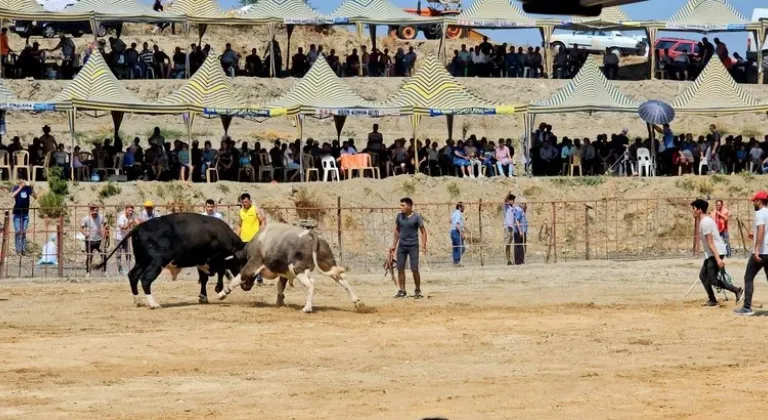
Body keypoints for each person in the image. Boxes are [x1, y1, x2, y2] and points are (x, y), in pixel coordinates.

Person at [691, 199, 742, 307]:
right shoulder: (705, 221)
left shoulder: (705, 222)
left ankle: (737, 290)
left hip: (716, 252)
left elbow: (710, 242)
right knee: (703, 276)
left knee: (713, 280)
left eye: (694, 208)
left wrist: (718, 259)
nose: (693, 211)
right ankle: (712, 299)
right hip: (712, 253)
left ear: (699, 210)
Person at [735, 191, 768, 316]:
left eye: (754, 201)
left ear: (759, 201)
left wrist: (757, 249)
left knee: (748, 277)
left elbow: (762, 230)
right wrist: (754, 236)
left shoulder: (759, 213)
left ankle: (747, 307)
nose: (753, 203)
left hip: (762, 252)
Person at [390, 197, 428, 299]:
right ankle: (402, 290)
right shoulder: (399, 217)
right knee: (400, 268)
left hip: (413, 246)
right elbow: (397, 231)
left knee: (414, 268)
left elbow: (423, 231)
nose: (400, 207)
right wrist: (394, 245)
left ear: (409, 206)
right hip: (402, 246)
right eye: (400, 205)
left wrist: (423, 245)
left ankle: (417, 290)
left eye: (403, 205)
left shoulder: (417, 217)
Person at [236, 193, 266, 284]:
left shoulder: (255, 209)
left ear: (250, 201)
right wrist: (237, 237)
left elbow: (262, 221)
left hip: (254, 240)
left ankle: (259, 278)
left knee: (256, 259)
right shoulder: (241, 211)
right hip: (244, 239)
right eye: (243, 202)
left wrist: (262, 233)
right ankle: (247, 278)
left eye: (245, 202)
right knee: (245, 259)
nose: (244, 204)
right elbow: (239, 225)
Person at [11, 180, 36, 255]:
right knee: (18, 231)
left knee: (24, 232)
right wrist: (20, 188)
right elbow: (12, 196)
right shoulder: (16, 187)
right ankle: (18, 250)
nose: (24, 182)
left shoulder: (27, 189)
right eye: (23, 181)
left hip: (25, 214)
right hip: (17, 214)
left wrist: (32, 188)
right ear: (20, 182)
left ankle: (23, 249)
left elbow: (35, 197)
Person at [81, 204, 106, 277]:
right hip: (89, 240)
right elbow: (81, 228)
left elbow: (105, 225)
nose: (95, 212)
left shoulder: (101, 217)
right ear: (90, 210)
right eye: (94, 210)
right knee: (89, 256)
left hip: (99, 240)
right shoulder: (86, 218)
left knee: (104, 255)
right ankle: (88, 272)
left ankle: (104, 271)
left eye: (96, 210)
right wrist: (85, 234)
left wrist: (104, 234)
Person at [115, 204, 138, 275]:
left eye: (132, 210)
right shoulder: (121, 217)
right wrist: (130, 223)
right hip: (118, 238)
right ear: (126, 210)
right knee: (118, 256)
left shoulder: (132, 216)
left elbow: (137, 222)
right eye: (129, 210)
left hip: (126, 238)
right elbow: (123, 227)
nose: (131, 212)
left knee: (128, 255)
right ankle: (120, 271)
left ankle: (129, 270)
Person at [503, 194, 523, 265]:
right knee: (507, 244)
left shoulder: (512, 208)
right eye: (510, 200)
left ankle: (511, 260)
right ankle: (508, 260)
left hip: (512, 228)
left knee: (510, 243)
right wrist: (509, 192)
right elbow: (505, 199)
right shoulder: (506, 207)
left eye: (512, 200)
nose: (511, 201)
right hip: (507, 227)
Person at [450, 202, 465, 267]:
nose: (464, 208)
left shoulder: (454, 213)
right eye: (463, 207)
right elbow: (457, 224)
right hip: (456, 231)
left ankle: (455, 262)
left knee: (455, 247)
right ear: (459, 207)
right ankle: (457, 262)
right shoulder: (458, 213)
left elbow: (450, 221)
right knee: (461, 247)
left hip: (452, 231)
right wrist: (461, 233)